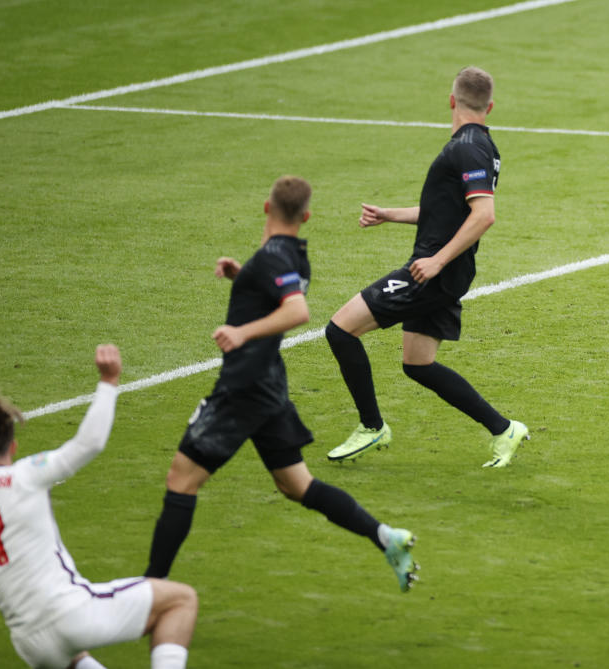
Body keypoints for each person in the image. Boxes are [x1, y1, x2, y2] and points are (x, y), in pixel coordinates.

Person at [143, 176, 418, 592]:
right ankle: (384, 537)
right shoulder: (291, 255)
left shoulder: (274, 256)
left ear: (266, 208)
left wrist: (242, 332)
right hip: (270, 389)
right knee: (296, 485)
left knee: (181, 481)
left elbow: (296, 311)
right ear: (305, 217)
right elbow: (278, 290)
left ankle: (150, 590)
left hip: (243, 388)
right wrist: (244, 276)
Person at [324, 67, 529, 468]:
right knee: (418, 364)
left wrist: (435, 260)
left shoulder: (466, 149)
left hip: (431, 273)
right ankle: (504, 429)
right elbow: (445, 212)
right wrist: (390, 214)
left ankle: (372, 426)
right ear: (490, 107)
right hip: (442, 271)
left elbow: (483, 215)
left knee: (340, 330)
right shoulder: (480, 146)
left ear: (451, 100)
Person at [0, 345, 197, 669]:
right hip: (70, 613)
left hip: (30, 643)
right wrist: (109, 381)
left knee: (76, 658)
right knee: (180, 601)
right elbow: (88, 444)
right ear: (14, 446)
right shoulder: (25, 476)